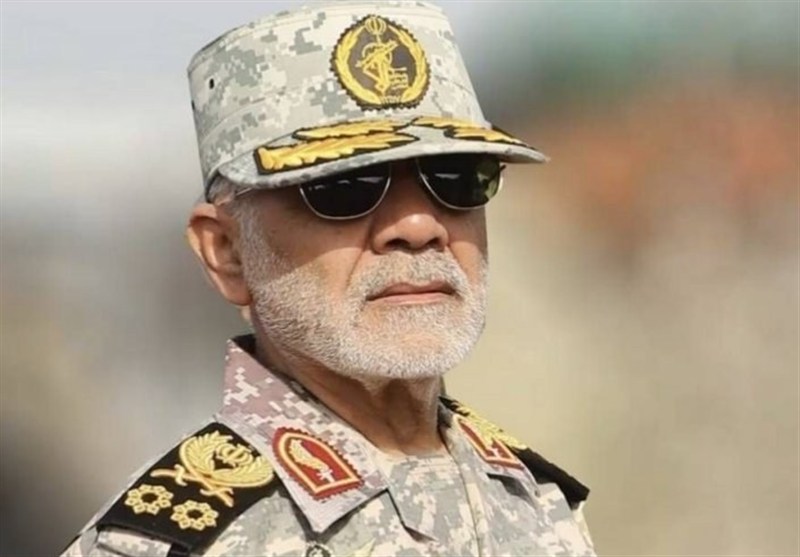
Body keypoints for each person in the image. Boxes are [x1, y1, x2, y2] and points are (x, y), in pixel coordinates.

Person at [62, 1, 595, 556]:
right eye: (343, 188)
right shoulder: (169, 545)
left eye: (456, 178)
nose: (418, 227)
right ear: (228, 253)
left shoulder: (534, 499)